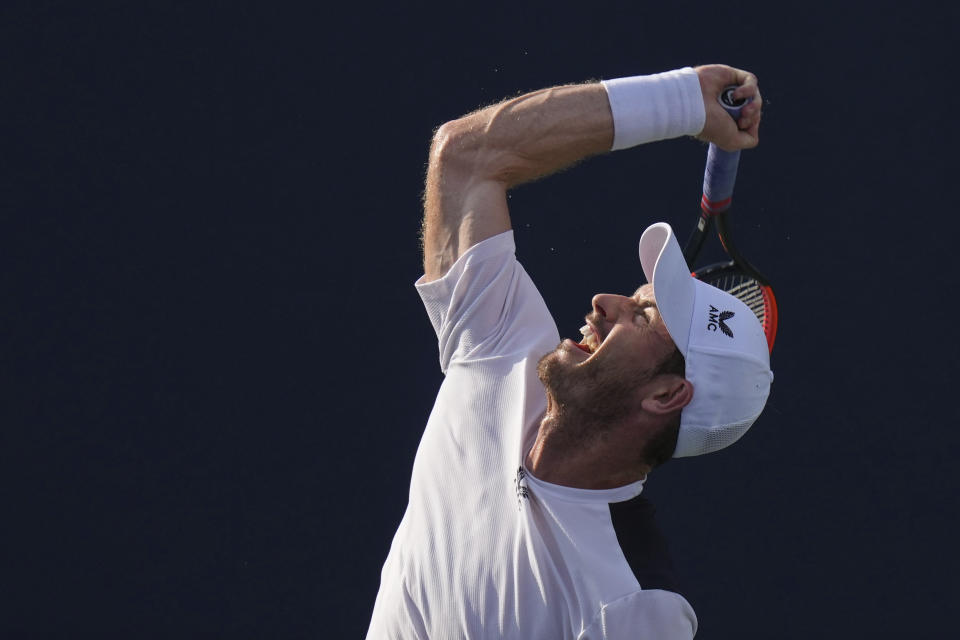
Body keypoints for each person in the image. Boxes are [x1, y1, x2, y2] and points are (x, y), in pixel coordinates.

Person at [366, 64, 773, 639]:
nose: (604, 302)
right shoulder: (503, 349)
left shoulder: (634, 605)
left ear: (666, 394)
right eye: (632, 297)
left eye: (644, 316)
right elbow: (467, 155)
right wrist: (678, 101)